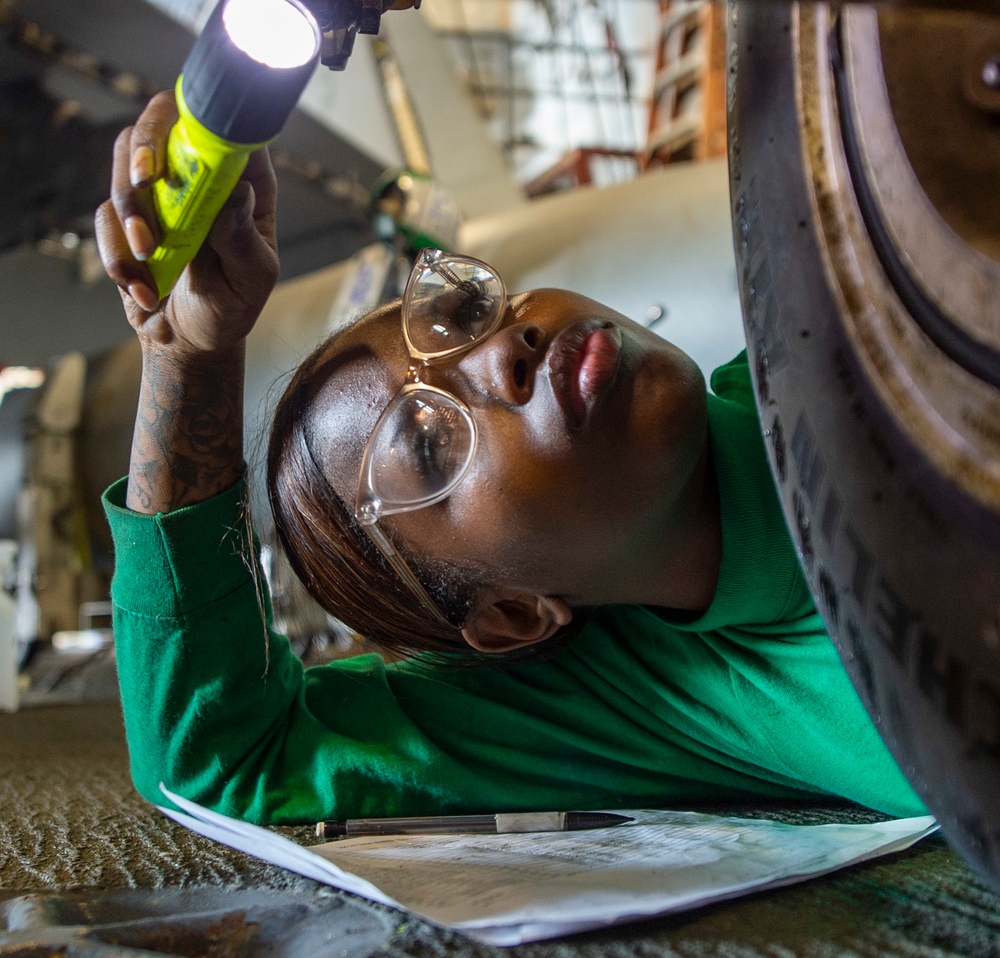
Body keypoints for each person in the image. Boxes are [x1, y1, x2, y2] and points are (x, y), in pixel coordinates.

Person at [94, 92, 927, 826]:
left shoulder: (873, 338)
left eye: (465, 314)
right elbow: (218, 761)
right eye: (427, 441)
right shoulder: (643, 695)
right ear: (513, 616)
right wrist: (185, 354)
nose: (504, 351)